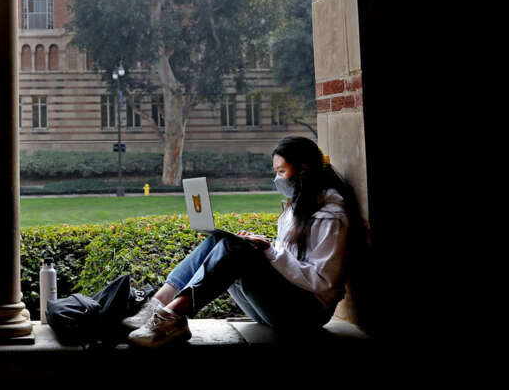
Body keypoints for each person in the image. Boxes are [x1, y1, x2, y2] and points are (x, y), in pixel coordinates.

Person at [125, 136, 362, 347]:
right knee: (222, 239)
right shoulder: (298, 206)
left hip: (306, 314)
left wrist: (269, 251)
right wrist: (263, 245)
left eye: (281, 172)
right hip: (280, 306)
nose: (276, 179)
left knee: (235, 248)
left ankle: (171, 319)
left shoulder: (332, 216)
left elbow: (322, 282)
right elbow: (290, 259)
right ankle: (156, 306)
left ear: (303, 170)